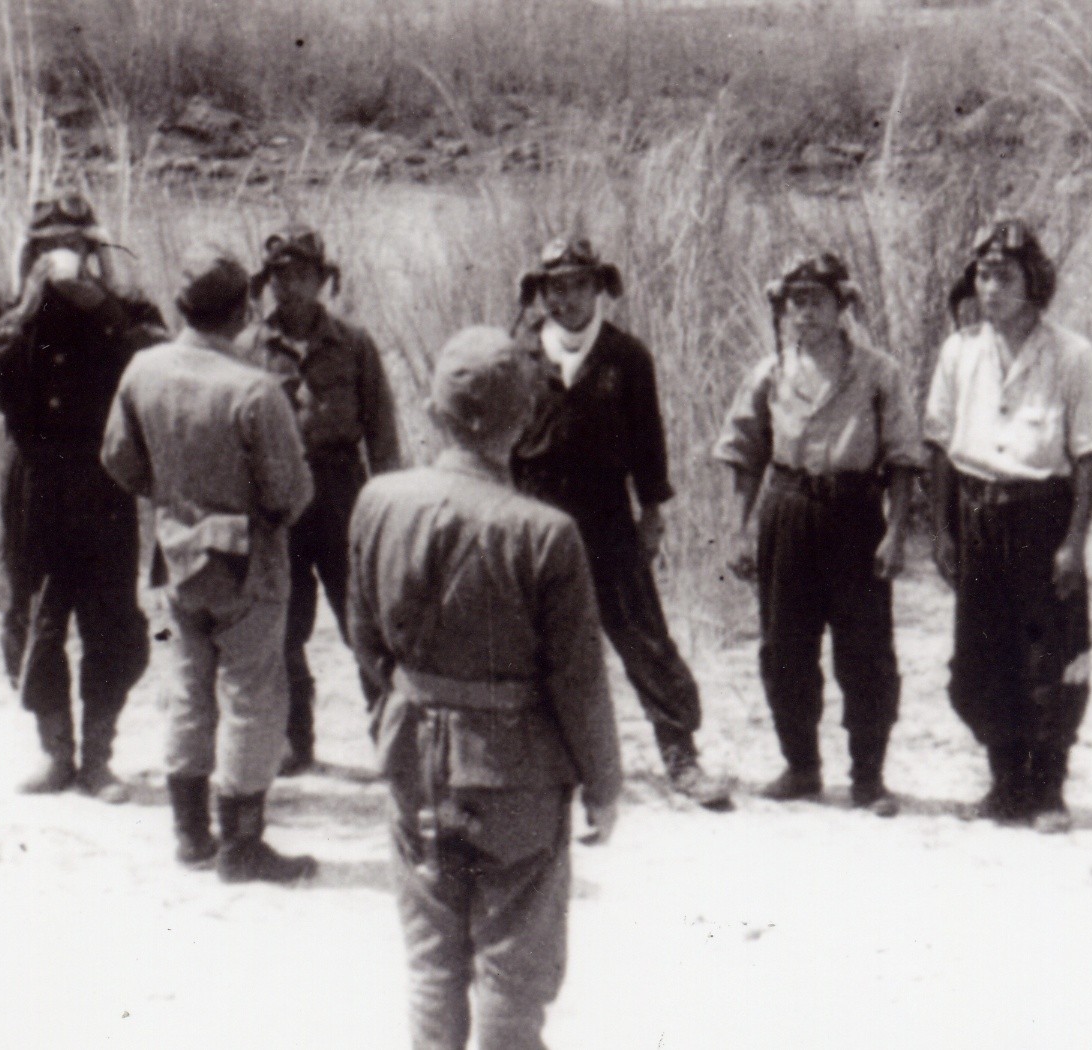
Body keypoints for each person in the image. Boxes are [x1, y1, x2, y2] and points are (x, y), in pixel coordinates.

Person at [349, 326, 623, 1050]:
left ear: (434, 411)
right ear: (524, 422)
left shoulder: (377, 501)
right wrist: (603, 783)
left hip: (416, 760)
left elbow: (365, 639)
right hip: (514, 775)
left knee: (433, 959)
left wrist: (398, 715)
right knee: (512, 966)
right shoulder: (547, 533)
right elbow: (578, 682)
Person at [101, 250, 317, 883]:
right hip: (248, 572)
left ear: (180, 307)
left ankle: (190, 836)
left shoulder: (143, 369)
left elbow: (118, 458)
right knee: (252, 696)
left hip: (171, 570)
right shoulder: (254, 390)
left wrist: (172, 497)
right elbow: (290, 494)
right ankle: (242, 846)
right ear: (242, 311)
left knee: (186, 690)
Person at [0, 194, 164, 802]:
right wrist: (26, 307)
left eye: (72, 244)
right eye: (47, 246)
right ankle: (56, 752)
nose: (60, 256)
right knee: (32, 615)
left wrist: (100, 303)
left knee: (111, 618)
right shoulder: (8, 307)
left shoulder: (124, 308)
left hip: (103, 477)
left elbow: (158, 354)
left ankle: (99, 756)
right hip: (34, 481)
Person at [510, 237, 729, 810]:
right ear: (541, 294)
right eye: (555, 288)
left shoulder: (627, 356)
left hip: (606, 516)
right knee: (533, 643)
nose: (567, 299)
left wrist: (652, 511)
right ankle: (542, 764)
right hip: (534, 516)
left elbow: (649, 444)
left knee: (642, 637)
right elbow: (502, 443)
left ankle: (680, 755)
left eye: (578, 285)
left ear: (598, 288)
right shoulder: (518, 353)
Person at [714, 253, 922, 816]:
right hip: (787, 511)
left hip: (855, 514)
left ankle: (869, 777)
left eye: (816, 300)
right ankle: (801, 766)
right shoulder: (769, 373)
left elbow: (903, 458)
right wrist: (739, 530)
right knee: (784, 648)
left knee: (866, 651)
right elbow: (743, 453)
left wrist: (896, 531)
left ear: (842, 306)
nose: (803, 313)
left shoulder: (879, 373)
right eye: (793, 301)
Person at [925, 218, 1092, 833]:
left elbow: (1088, 455)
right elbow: (941, 447)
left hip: (1043, 516)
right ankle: (1005, 782)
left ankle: (1048, 787)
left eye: (1005, 275)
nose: (991, 286)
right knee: (981, 656)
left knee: (1050, 656)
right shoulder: (959, 351)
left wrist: (1075, 543)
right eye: (983, 273)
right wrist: (942, 532)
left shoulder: (1072, 354)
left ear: (1035, 281)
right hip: (976, 514)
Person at [238, 225, 402, 775]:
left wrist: (386, 506)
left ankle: (388, 729)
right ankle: (294, 737)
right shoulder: (249, 348)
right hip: (279, 497)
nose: (292, 288)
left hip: (341, 492)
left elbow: (381, 430)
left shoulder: (354, 344)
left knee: (363, 616)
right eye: (281, 278)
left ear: (323, 280)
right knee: (284, 622)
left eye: (303, 276)